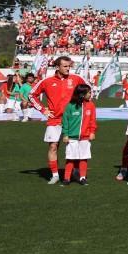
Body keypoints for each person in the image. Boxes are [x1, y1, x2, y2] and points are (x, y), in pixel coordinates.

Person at [28, 56, 88, 184]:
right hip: (54, 119)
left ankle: (75, 172)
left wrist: (81, 107)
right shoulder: (47, 81)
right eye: (65, 66)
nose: (68, 68)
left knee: (74, 147)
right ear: (57, 67)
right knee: (53, 146)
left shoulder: (76, 79)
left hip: (73, 120)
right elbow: (31, 95)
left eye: (69, 66)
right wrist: (43, 110)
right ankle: (55, 175)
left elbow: (88, 91)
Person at [60, 83, 97, 185]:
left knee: (84, 158)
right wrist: (66, 134)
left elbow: (93, 120)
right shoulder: (70, 106)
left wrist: (92, 132)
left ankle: (82, 177)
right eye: (89, 92)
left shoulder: (91, 105)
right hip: (72, 137)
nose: (90, 94)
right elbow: (65, 120)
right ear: (82, 94)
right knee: (70, 158)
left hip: (85, 137)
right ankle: (67, 178)